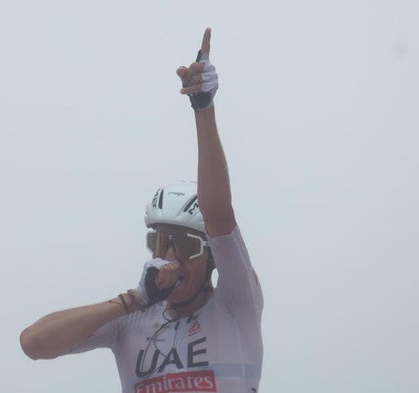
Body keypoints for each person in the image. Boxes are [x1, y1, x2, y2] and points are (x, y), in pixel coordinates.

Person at [20, 28, 264, 392]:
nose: (169, 257)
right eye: (160, 241)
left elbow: (219, 218)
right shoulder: (131, 319)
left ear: (212, 256)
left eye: (184, 246)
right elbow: (33, 344)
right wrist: (131, 302)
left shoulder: (234, 304)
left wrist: (203, 109)